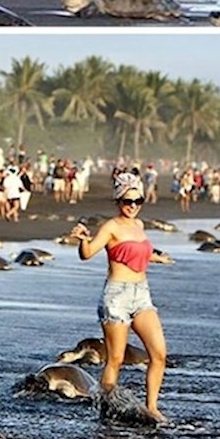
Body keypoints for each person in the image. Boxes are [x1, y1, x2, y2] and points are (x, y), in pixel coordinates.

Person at [71, 171, 168, 423]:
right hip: (116, 296)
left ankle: (152, 408)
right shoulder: (111, 227)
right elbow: (88, 253)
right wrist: (83, 240)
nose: (133, 206)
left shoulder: (139, 225)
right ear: (118, 201)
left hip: (141, 294)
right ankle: (104, 409)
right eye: (128, 201)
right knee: (115, 358)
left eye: (138, 201)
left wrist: (157, 257)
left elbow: (137, 253)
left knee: (158, 355)